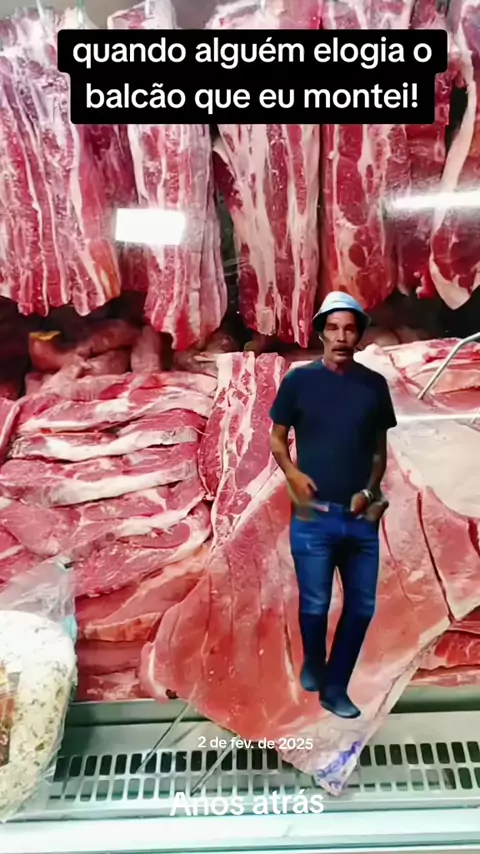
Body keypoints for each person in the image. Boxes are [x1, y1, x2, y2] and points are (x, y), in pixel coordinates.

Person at [269, 291, 397, 720]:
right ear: (321, 333)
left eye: (350, 329)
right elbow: (276, 438)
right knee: (315, 604)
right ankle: (314, 661)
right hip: (314, 516)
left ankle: (335, 687)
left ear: (359, 336)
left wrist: (370, 489)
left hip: (360, 519)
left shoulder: (373, 385)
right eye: (334, 328)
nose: (341, 336)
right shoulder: (299, 382)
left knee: (361, 607)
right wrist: (292, 473)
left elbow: (379, 450)